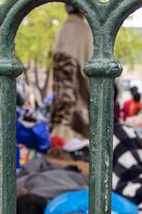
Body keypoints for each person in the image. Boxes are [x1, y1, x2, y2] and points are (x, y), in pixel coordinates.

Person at [50, 6, 93, 140]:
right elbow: (91, 68)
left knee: (60, 139)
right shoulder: (86, 30)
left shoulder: (61, 30)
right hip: (78, 103)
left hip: (61, 102)